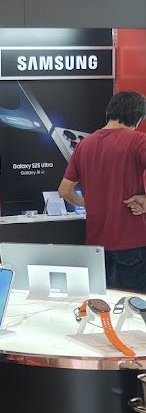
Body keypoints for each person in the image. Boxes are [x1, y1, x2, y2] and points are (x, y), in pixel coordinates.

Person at [58, 90, 146, 291]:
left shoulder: (85, 144)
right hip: (132, 243)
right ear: (139, 118)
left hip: (96, 246)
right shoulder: (139, 141)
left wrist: (89, 203)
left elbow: (64, 191)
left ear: (110, 112)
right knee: (135, 310)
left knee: (101, 306)